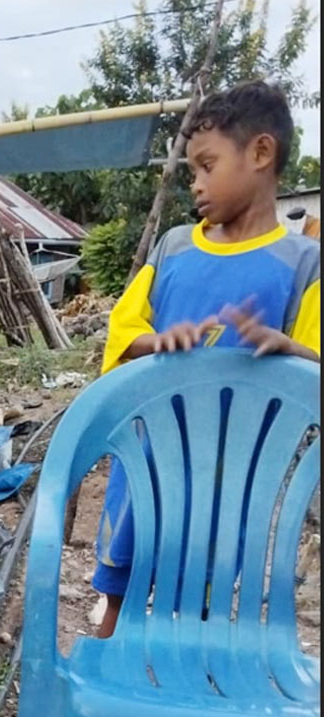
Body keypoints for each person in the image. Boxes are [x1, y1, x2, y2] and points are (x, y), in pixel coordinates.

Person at [92, 80, 320, 640]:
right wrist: (156, 342)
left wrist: (292, 351)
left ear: (261, 154)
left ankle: (187, 681)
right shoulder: (174, 248)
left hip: (232, 476)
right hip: (148, 457)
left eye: (206, 165)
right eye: (191, 170)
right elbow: (124, 330)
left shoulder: (302, 264)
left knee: (202, 605)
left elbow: (314, 369)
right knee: (120, 589)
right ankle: (103, 693)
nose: (194, 183)